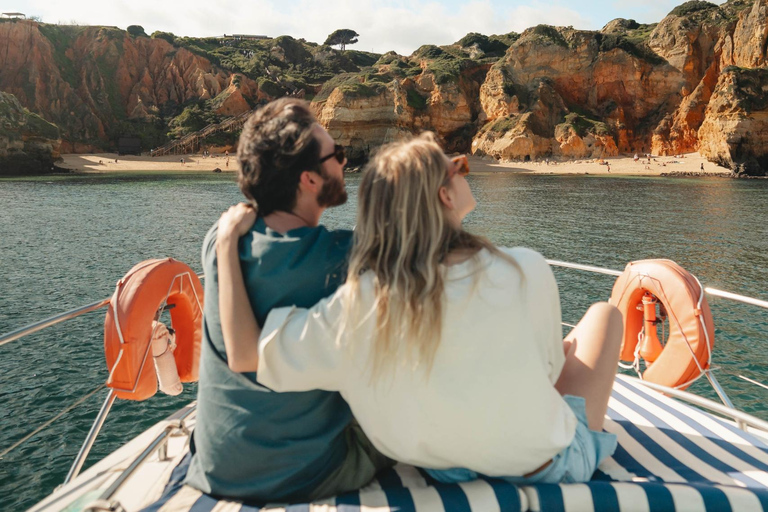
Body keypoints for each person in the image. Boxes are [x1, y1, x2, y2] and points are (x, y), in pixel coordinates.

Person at [216, 133, 623, 487]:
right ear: (444, 195)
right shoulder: (524, 269)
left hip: (444, 468)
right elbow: (548, 377)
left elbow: (245, 354)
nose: (466, 170)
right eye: (459, 167)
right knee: (606, 316)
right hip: (543, 466)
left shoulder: (360, 302)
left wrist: (225, 247)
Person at [184, 98, 391, 504]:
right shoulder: (343, 257)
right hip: (301, 476)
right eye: (338, 155)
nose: (344, 165)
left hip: (214, 465)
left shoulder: (220, 237)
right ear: (309, 180)